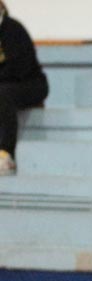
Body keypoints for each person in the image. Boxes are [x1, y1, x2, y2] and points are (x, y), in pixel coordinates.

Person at [0, 0, 49, 176]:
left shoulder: (13, 29)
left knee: (3, 94)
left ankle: (6, 153)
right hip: (7, 83)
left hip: (31, 83)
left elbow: (19, 69)